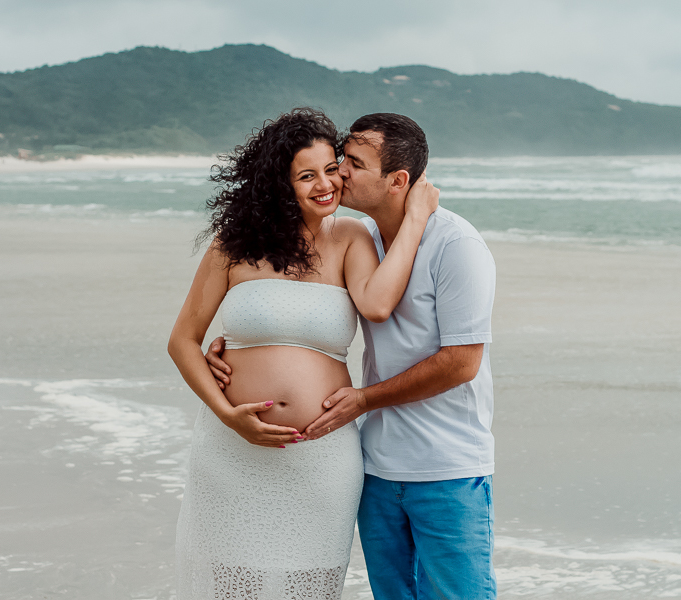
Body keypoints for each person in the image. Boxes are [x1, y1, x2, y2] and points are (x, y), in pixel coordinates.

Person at [207, 113, 497, 599]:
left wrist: (363, 399)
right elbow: (305, 306)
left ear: (397, 181)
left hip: (445, 466)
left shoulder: (457, 245)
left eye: (352, 164)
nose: (338, 173)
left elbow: (461, 362)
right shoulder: (362, 237)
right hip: (376, 464)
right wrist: (238, 341)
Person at [168, 108, 438, 600]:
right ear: (279, 184)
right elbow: (182, 340)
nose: (325, 184)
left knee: (308, 585)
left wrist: (416, 217)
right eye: (306, 175)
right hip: (233, 452)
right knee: (231, 585)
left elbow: (377, 305)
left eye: (331, 168)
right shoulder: (233, 246)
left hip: (321, 455)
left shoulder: (351, 237)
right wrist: (229, 415)